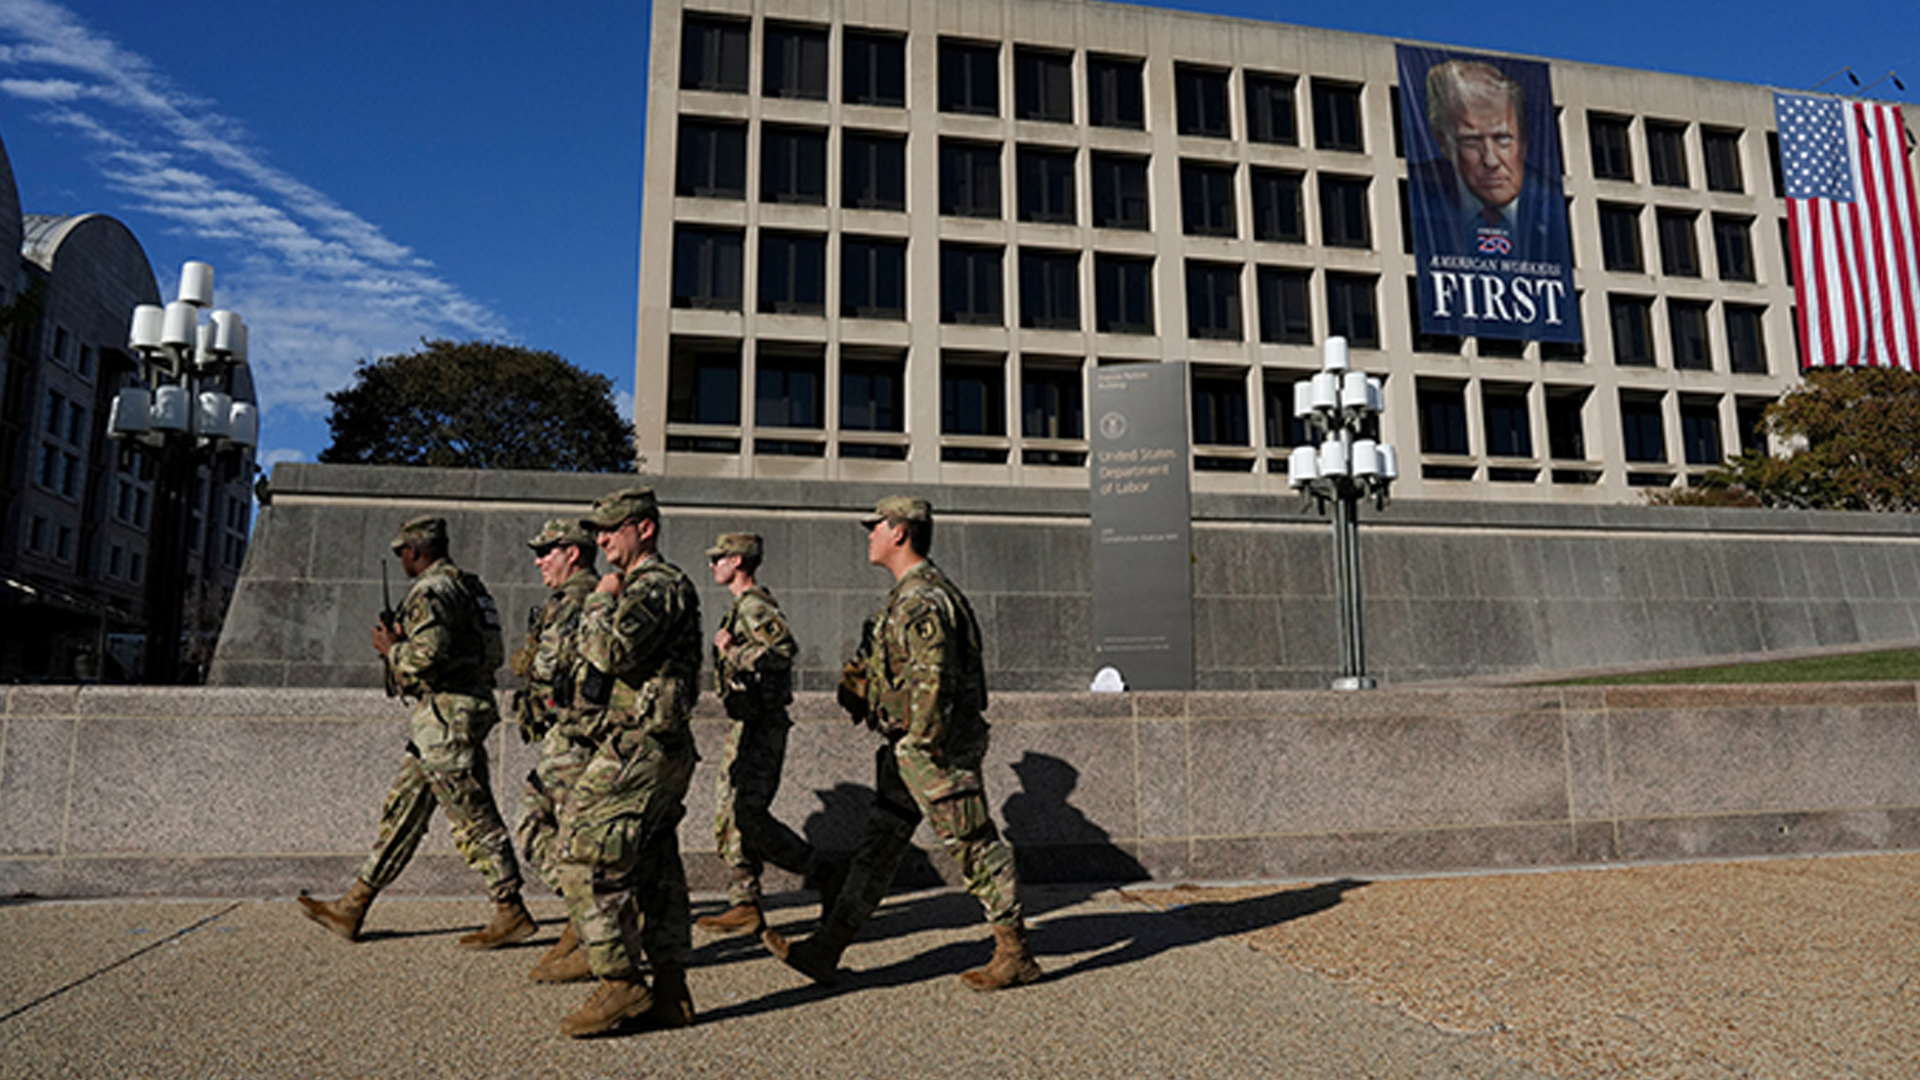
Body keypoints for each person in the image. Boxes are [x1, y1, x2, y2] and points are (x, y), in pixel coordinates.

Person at [763, 496, 1041, 992]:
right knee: (877, 850)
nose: (869, 535)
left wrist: (922, 744)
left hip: (930, 749)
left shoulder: (922, 600)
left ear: (899, 532)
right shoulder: (907, 596)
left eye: (876, 527)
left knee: (974, 844)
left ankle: (1014, 952)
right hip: (906, 748)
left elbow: (932, 679)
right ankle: (826, 949)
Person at [297, 515, 534, 949]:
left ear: (415, 551)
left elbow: (426, 657)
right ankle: (353, 905)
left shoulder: (430, 591)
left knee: (471, 815)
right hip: (453, 714)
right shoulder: (470, 587)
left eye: (402, 552)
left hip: (446, 718)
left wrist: (392, 650)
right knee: (403, 810)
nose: (400, 560)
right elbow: (492, 652)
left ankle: (510, 909)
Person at [552, 487, 703, 1038]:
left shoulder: (655, 585)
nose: (601, 539)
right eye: (597, 531)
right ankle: (670, 991)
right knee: (656, 865)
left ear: (645, 528)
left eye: (612, 528)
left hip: (642, 744)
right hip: (651, 743)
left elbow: (612, 653)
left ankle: (620, 981)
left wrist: (599, 598)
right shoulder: (646, 585)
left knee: (579, 848)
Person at [696, 532, 841, 937]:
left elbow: (782, 651)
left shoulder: (754, 606)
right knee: (731, 813)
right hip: (745, 723)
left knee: (749, 815)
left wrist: (731, 651)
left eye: (719, 558)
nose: (713, 565)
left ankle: (825, 873)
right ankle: (744, 901)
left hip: (761, 726)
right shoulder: (741, 606)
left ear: (739, 561)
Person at [509, 518, 600, 983]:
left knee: (570, 840)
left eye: (547, 551)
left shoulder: (579, 599)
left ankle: (595, 927)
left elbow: (550, 664)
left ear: (574, 553)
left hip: (576, 739)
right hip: (560, 736)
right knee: (531, 821)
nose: (539, 561)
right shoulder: (565, 599)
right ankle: (583, 915)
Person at [1412, 58, 1562, 258]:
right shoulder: (1418, 193)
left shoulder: (1555, 204)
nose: (1491, 161)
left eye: (1503, 139)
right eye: (1471, 141)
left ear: (1523, 142)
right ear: (1444, 143)